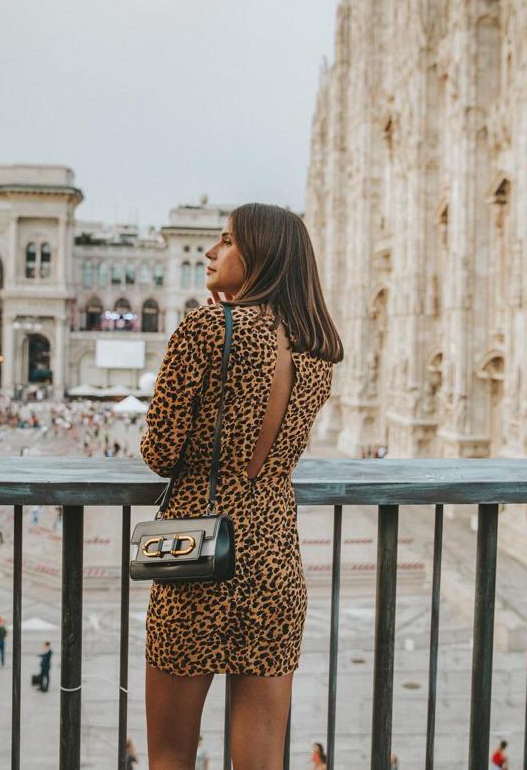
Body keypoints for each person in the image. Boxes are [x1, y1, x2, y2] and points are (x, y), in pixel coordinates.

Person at [140, 204, 343, 769]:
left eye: (226, 242)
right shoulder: (316, 350)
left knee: (171, 757)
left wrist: (213, 331)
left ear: (260, 257)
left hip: (198, 560)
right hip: (275, 563)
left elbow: (159, 453)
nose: (211, 252)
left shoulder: (207, 328)